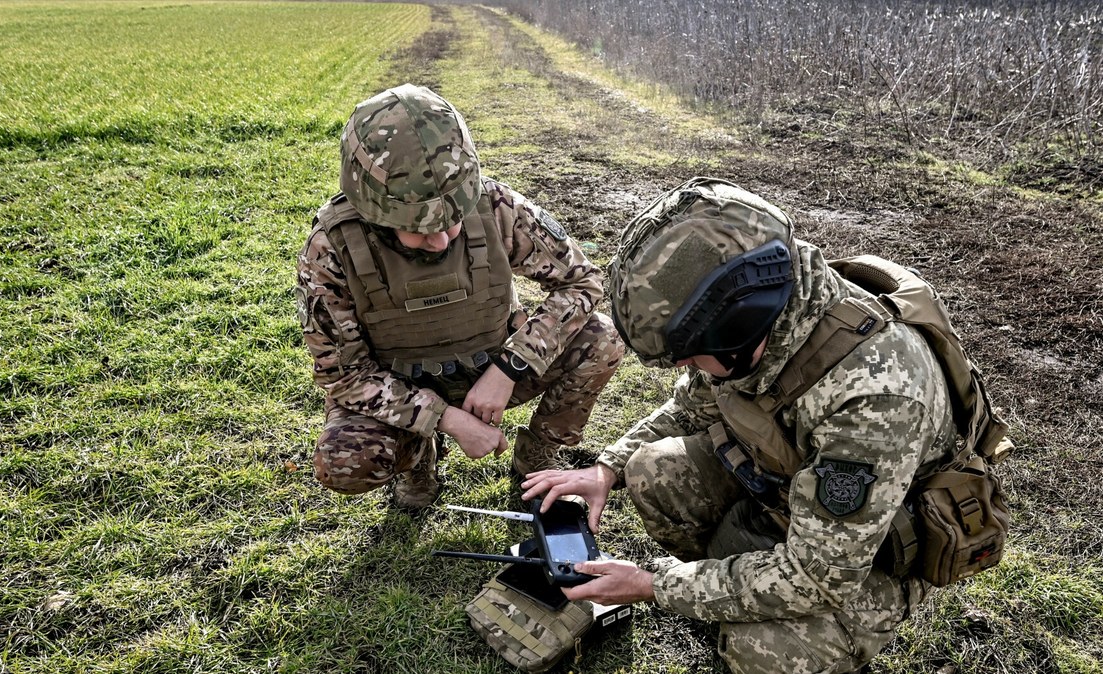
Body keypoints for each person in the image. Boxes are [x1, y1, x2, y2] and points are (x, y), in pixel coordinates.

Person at [523, 177, 1007, 673]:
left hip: (870, 554)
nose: (688, 370)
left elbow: (819, 576)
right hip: (793, 496)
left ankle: (783, 625)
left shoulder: (875, 397)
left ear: (739, 327)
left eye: (692, 357)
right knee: (652, 471)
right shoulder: (770, 322)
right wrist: (608, 468)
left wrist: (653, 584)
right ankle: (734, 590)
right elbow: (691, 409)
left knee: (766, 655)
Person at [295, 84, 623, 510]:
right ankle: (417, 461)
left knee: (601, 339)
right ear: (374, 211)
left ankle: (537, 457)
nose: (442, 239)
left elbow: (583, 282)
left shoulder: (495, 205)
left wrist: (509, 368)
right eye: (421, 228)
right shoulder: (332, 248)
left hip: (492, 365)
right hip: (400, 385)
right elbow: (347, 376)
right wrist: (444, 420)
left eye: (452, 220)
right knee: (343, 461)